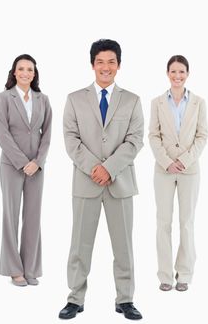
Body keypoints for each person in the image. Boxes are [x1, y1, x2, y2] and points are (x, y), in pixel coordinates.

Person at [59, 39, 144, 320]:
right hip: (86, 182)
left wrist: (110, 168)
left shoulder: (132, 100)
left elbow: (134, 141)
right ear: (92, 64)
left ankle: (125, 299)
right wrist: (96, 168)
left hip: (120, 184)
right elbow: (71, 141)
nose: (105, 67)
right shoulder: (74, 99)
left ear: (118, 65)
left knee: (124, 246)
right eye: (100, 62)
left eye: (111, 62)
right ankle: (75, 298)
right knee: (80, 245)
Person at [149, 55, 208, 292]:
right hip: (163, 170)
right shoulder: (157, 102)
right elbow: (153, 135)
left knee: (187, 223)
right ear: (167, 73)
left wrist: (183, 160)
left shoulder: (199, 102)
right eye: (173, 72)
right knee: (163, 222)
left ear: (187, 74)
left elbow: (202, 136)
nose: (177, 76)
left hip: (189, 170)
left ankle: (184, 274)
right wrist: (166, 161)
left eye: (181, 72)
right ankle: (165, 276)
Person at [0, 54, 52, 286]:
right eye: (21, 69)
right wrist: (22, 162)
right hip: (11, 165)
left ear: (34, 73)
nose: (26, 73)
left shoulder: (43, 99)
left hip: (37, 167)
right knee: (11, 216)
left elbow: (46, 133)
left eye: (30, 69)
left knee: (33, 216)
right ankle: (13, 269)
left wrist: (37, 161)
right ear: (14, 72)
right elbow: (2, 134)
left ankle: (30, 268)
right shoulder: (4, 98)